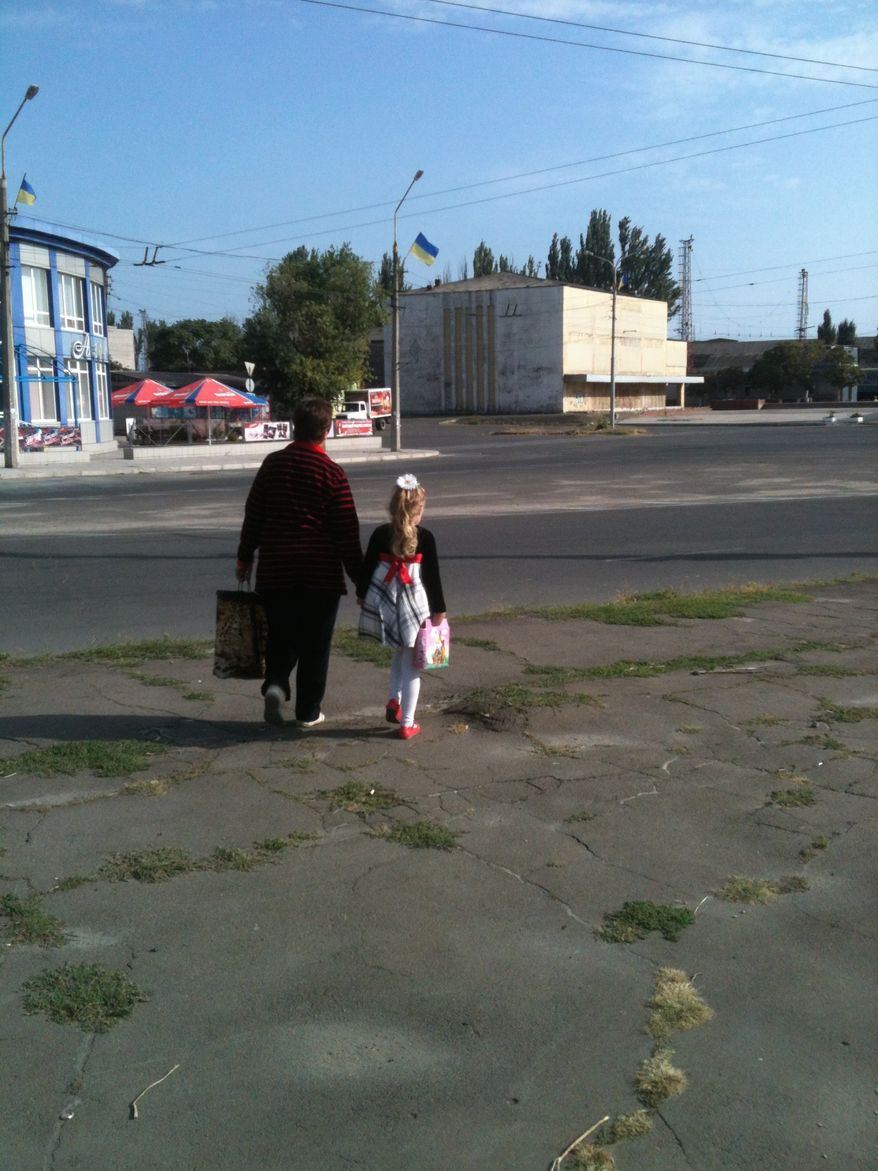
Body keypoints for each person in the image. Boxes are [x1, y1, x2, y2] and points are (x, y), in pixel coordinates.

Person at [236, 396, 363, 728]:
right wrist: (361, 580)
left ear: (295, 427)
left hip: (276, 571)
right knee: (315, 645)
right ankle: (308, 711)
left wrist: (244, 557)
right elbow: (347, 532)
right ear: (327, 430)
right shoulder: (332, 474)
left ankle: (276, 684)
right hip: (319, 576)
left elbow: (255, 514)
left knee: (280, 634)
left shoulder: (272, 464)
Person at [357, 473, 446, 740]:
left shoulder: (380, 534)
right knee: (413, 666)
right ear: (417, 511)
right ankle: (407, 723)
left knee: (400, 653)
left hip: (386, 603)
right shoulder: (425, 538)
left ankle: (393, 700)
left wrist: (362, 595)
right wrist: (439, 610)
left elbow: (367, 569)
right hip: (414, 609)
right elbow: (432, 578)